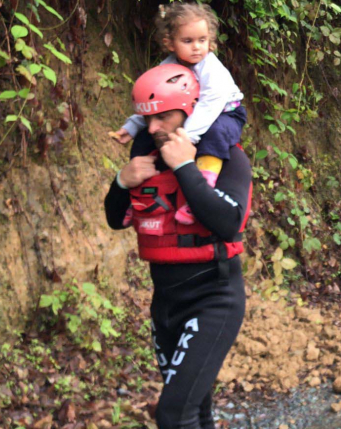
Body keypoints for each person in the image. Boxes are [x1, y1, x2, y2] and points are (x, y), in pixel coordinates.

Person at [105, 64, 250, 429]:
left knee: (172, 415)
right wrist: (121, 181)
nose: (153, 130)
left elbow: (229, 223)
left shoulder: (229, 159)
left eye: (163, 117)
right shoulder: (147, 162)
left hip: (214, 299)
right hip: (166, 304)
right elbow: (114, 219)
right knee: (196, 411)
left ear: (191, 110)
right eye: (148, 120)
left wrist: (186, 166)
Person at [112, 3, 246, 226]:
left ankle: (205, 183)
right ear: (169, 43)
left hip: (225, 112)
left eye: (202, 40)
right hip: (191, 114)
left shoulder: (212, 70)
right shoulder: (168, 67)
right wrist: (133, 126)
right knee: (145, 138)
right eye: (188, 41)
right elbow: (155, 103)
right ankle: (134, 194)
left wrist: (187, 137)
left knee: (215, 134)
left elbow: (210, 105)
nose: (197, 48)